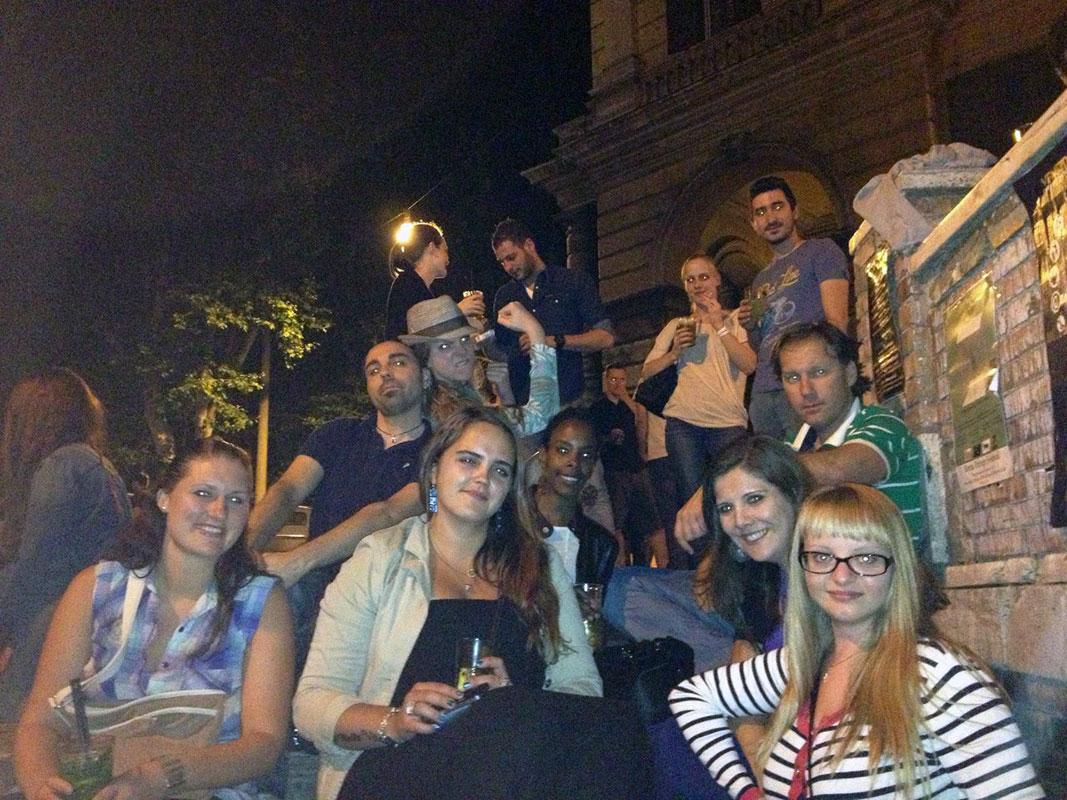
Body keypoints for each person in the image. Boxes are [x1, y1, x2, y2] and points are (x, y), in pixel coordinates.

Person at [293, 406, 650, 800]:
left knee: (623, 727)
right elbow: (312, 704)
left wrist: (517, 700)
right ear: (434, 469)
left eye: (500, 470)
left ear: (509, 489)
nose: (483, 477)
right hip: (397, 768)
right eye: (468, 460)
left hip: (512, 766)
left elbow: (581, 688)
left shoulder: (540, 566)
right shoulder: (380, 559)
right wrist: (394, 721)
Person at [670, 483, 1045, 799]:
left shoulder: (935, 673)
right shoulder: (801, 664)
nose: (842, 576)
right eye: (822, 556)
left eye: (865, 558)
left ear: (896, 567)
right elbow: (690, 697)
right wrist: (746, 790)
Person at [15, 437, 294, 800]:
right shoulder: (95, 588)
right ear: (164, 499)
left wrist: (159, 776)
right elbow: (39, 721)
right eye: (204, 493)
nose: (219, 511)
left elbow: (264, 743)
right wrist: (42, 785)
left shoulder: (261, 602)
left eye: (236, 500)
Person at [246, 340, 432, 671]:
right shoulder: (337, 434)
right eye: (373, 369)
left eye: (398, 362)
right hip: (317, 579)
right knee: (255, 597)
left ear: (426, 377)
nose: (385, 373)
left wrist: (298, 562)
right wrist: (242, 553)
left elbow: (388, 512)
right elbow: (288, 489)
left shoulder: (440, 451)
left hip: (388, 587)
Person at [675, 322, 929, 561]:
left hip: (885, 584)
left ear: (850, 373)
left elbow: (838, 468)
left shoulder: (882, 424)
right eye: (793, 378)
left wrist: (718, 486)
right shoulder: (793, 447)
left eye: (819, 372)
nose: (806, 390)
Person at [0, 368, 131, 721]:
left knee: (18, 718)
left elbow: (35, 567)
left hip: (53, 622)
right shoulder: (99, 466)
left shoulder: (62, 465)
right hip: (91, 620)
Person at [641, 254, 755, 567]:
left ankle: (736, 567)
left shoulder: (736, 321)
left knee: (733, 494)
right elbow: (647, 372)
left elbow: (749, 363)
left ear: (717, 280)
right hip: (684, 423)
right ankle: (705, 572)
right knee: (693, 500)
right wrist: (675, 353)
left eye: (703, 277)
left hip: (728, 422)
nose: (697, 284)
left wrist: (719, 324)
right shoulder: (677, 326)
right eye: (690, 279)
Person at [743, 176, 850, 439]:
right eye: (761, 212)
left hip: (805, 383)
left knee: (812, 459)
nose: (770, 217)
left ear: (795, 211)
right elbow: (760, 346)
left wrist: (825, 377)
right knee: (773, 465)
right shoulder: (759, 279)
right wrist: (750, 325)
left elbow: (837, 322)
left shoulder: (821, 251)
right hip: (763, 391)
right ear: (754, 224)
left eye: (777, 206)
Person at [491, 218, 615, 404]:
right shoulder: (504, 295)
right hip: (524, 404)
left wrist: (553, 341)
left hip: (568, 399)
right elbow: (499, 352)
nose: (508, 267)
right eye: (502, 262)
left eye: (511, 257)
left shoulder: (571, 281)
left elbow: (606, 337)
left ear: (529, 245)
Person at [401, 295, 559, 439]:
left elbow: (505, 435)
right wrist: (535, 331)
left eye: (464, 339)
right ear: (424, 359)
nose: (461, 351)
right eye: (444, 346)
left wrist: (505, 395)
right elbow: (539, 417)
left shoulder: (452, 396)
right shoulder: (449, 412)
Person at [531, 407, 618, 586]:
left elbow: (594, 600)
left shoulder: (600, 545)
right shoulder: (508, 523)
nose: (574, 462)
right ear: (543, 455)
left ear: (593, 464)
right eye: (563, 450)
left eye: (585, 455)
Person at [591, 365, 666, 566]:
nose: (617, 384)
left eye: (622, 380)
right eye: (613, 379)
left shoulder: (630, 406)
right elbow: (593, 438)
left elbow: (641, 420)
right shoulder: (597, 408)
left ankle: (663, 565)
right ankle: (621, 565)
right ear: (606, 381)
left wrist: (626, 398)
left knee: (652, 520)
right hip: (614, 471)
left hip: (636, 467)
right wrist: (609, 438)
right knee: (617, 523)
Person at [383, 221, 484, 341]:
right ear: (432, 248)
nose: (448, 258)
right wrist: (457, 311)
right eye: (445, 250)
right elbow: (418, 330)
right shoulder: (407, 284)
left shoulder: (420, 286)